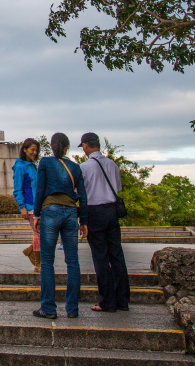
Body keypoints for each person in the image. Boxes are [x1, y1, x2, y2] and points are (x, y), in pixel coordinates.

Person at [31, 132, 88, 319]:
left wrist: (37, 214)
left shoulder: (45, 163)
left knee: (47, 262)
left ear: (51, 145)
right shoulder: (75, 166)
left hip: (50, 211)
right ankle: (72, 309)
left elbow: (40, 189)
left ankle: (48, 307)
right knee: (73, 262)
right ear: (66, 148)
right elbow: (83, 196)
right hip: (71, 213)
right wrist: (84, 220)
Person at [78, 132, 131, 313]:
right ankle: (122, 300)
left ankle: (107, 300)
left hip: (94, 211)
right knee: (116, 254)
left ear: (85, 146)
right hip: (111, 211)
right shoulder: (112, 165)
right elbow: (117, 188)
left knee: (100, 256)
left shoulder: (84, 167)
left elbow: (81, 193)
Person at [12, 138, 40, 271]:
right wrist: (22, 207)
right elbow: (17, 189)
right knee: (39, 232)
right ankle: (38, 263)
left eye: (36, 150)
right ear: (24, 150)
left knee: (42, 233)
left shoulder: (32, 166)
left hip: (38, 205)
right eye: (32, 150)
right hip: (29, 206)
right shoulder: (19, 167)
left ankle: (31, 251)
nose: (34, 152)